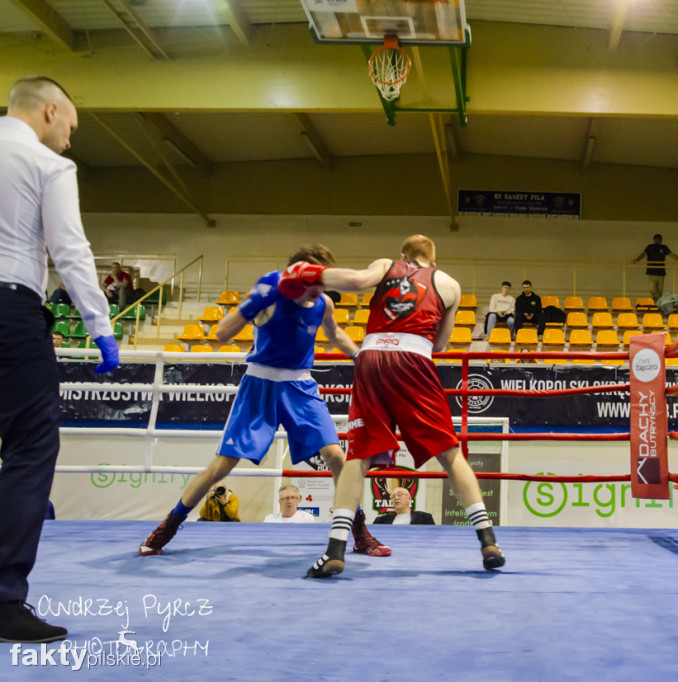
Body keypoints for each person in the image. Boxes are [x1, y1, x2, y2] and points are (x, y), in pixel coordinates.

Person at [138, 244, 389, 559]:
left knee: (337, 457)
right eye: (313, 282)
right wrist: (251, 305)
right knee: (222, 466)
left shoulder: (323, 303)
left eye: (322, 283)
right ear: (295, 278)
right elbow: (221, 333)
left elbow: (335, 333)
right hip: (260, 384)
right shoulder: (270, 297)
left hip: (301, 385)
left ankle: (359, 532)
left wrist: (358, 355)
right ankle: (168, 527)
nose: (319, 289)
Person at [279, 234, 505, 577]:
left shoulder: (385, 265)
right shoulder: (449, 284)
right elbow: (441, 343)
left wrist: (302, 274)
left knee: (359, 456)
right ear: (434, 258)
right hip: (415, 359)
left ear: (404, 254)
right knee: (449, 453)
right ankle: (488, 541)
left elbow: (355, 283)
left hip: (372, 358)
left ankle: (336, 549)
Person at [0, 76, 119, 644]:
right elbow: (69, 249)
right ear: (50, 111)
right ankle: (1, 601)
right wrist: (100, 326)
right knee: (29, 447)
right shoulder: (48, 166)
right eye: (68, 128)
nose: (69, 141)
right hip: (10, 312)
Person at [633, 234, 678, 300]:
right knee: (652, 289)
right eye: (656, 239)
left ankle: (658, 304)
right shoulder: (650, 247)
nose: (657, 241)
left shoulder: (664, 247)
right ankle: (658, 301)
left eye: (659, 239)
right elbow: (643, 254)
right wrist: (637, 260)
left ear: (661, 240)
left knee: (660, 291)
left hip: (661, 272)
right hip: (652, 272)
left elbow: (672, 255)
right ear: (654, 240)